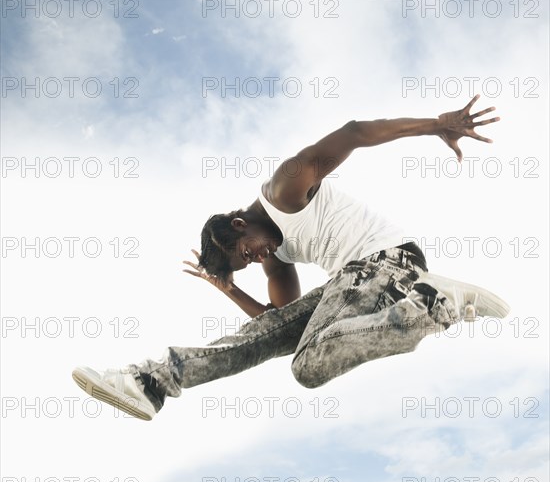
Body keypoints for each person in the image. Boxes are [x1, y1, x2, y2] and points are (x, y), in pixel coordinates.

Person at [72, 94, 509, 421]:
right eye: (250, 263)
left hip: (389, 263)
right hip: (355, 279)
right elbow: (275, 324)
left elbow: (355, 132)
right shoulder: (275, 259)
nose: (259, 258)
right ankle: (152, 381)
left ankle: (433, 306)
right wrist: (230, 288)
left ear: (240, 224)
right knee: (280, 348)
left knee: (309, 366)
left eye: (247, 253)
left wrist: (436, 124)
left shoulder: (286, 187)